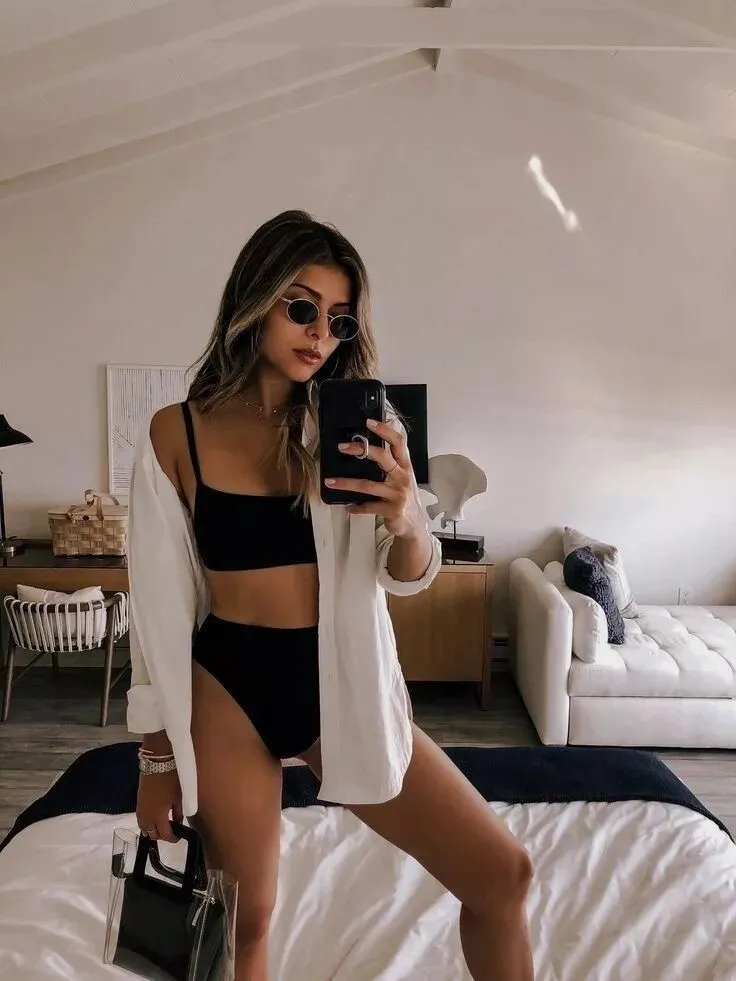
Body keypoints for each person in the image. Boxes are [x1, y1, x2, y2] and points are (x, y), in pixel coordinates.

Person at [126, 210, 534, 981]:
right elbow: (156, 608)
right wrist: (155, 758)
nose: (320, 334)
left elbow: (408, 573)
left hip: (339, 678)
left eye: (339, 320)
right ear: (255, 298)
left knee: (504, 875)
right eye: (302, 307)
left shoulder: (357, 427)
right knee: (247, 919)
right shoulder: (175, 433)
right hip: (227, 684)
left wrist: (408, 514)